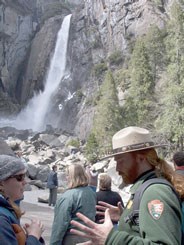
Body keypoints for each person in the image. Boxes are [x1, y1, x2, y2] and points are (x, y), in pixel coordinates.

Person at [70, 126, 184, 244]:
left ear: (141, 158)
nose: (118, 168)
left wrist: (111, 239)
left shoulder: (155, 192)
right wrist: (128, 218)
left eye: (120, 160)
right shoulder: (145, 188)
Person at [0, 154, 45, 244]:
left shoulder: (9, 208)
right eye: (20, 177)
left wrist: (29, 238)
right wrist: (34, 236)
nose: (25, 182)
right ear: (1, 183)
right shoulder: (1, 219)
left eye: (25, 176)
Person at [50, 163, 97, 245]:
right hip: (89, 238)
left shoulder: (68, 196)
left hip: (73, 238)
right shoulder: (91, 193)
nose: (66, 178)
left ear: (72, 177)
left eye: (67, 175)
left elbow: (60, 224)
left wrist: (54, 243)